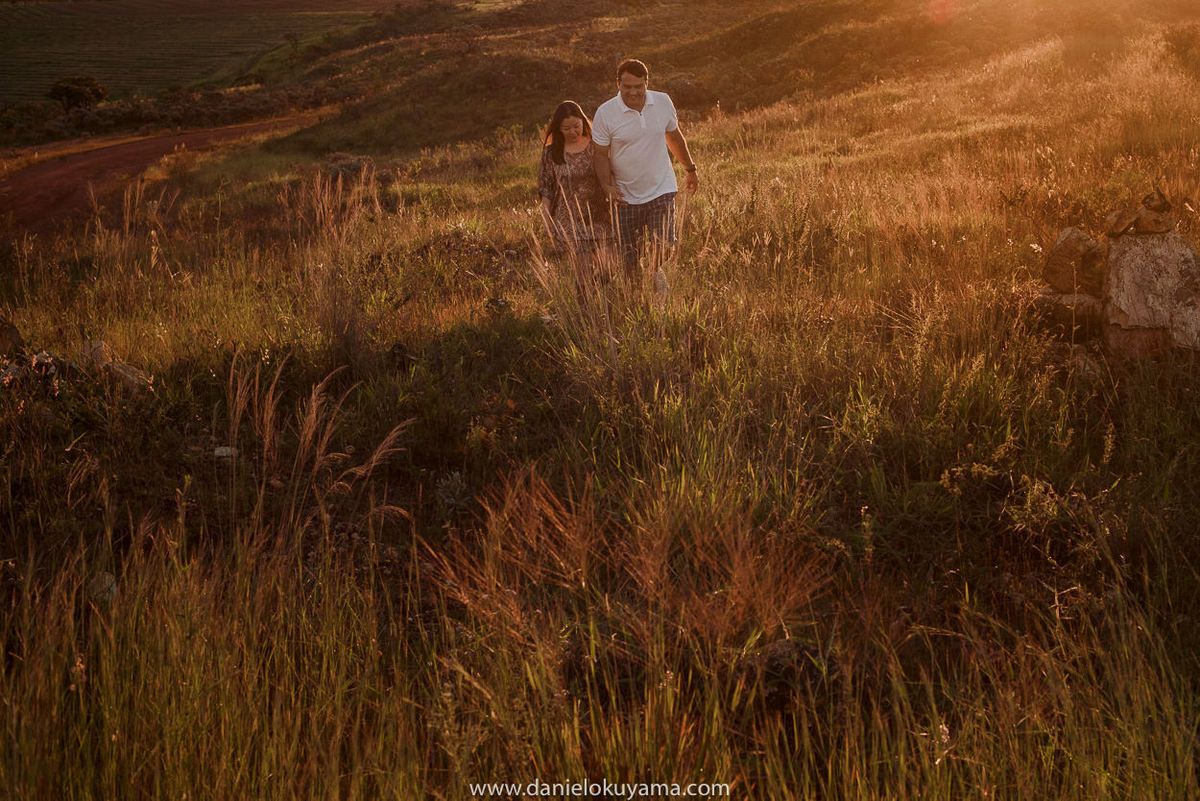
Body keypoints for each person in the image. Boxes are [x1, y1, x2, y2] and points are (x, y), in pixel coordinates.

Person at [592, 58, 699, 284]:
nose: (633, 92)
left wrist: (690, 168)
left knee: (666, 245)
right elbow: (600, 154)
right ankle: (638, 298)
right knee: (629, 260)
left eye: (638, 86)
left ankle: (653, 273)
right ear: (618, 84)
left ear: (647, 82)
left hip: (661, 188)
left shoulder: (662, 102)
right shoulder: (606, 112)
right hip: (625, 196)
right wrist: (608, 186)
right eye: (627, 86)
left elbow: (674, 136)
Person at [537, 100, 611, 265]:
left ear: (583, 122)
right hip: (569, 221)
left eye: (576, 126)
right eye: (566, 128)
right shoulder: (551, 152)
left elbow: (612, 173)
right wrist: (546, 218)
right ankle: (585, 291)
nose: (573, 132)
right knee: (584, 274)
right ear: (558, 129)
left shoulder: (595, 145)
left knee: (608, 270)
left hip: (600, 217)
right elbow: (546, 188)